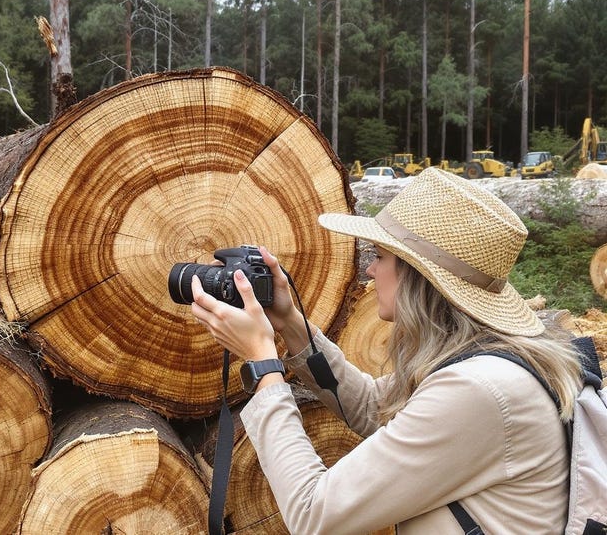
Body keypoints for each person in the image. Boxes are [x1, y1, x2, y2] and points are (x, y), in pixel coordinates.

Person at [190, 167, 584, 534]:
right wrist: (290, 322)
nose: (370, 270)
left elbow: (313, 514)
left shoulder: (478, 389)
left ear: (417, 277)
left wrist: (263, 363)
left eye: (380, 257)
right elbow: (372, 406)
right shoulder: (481, 360)